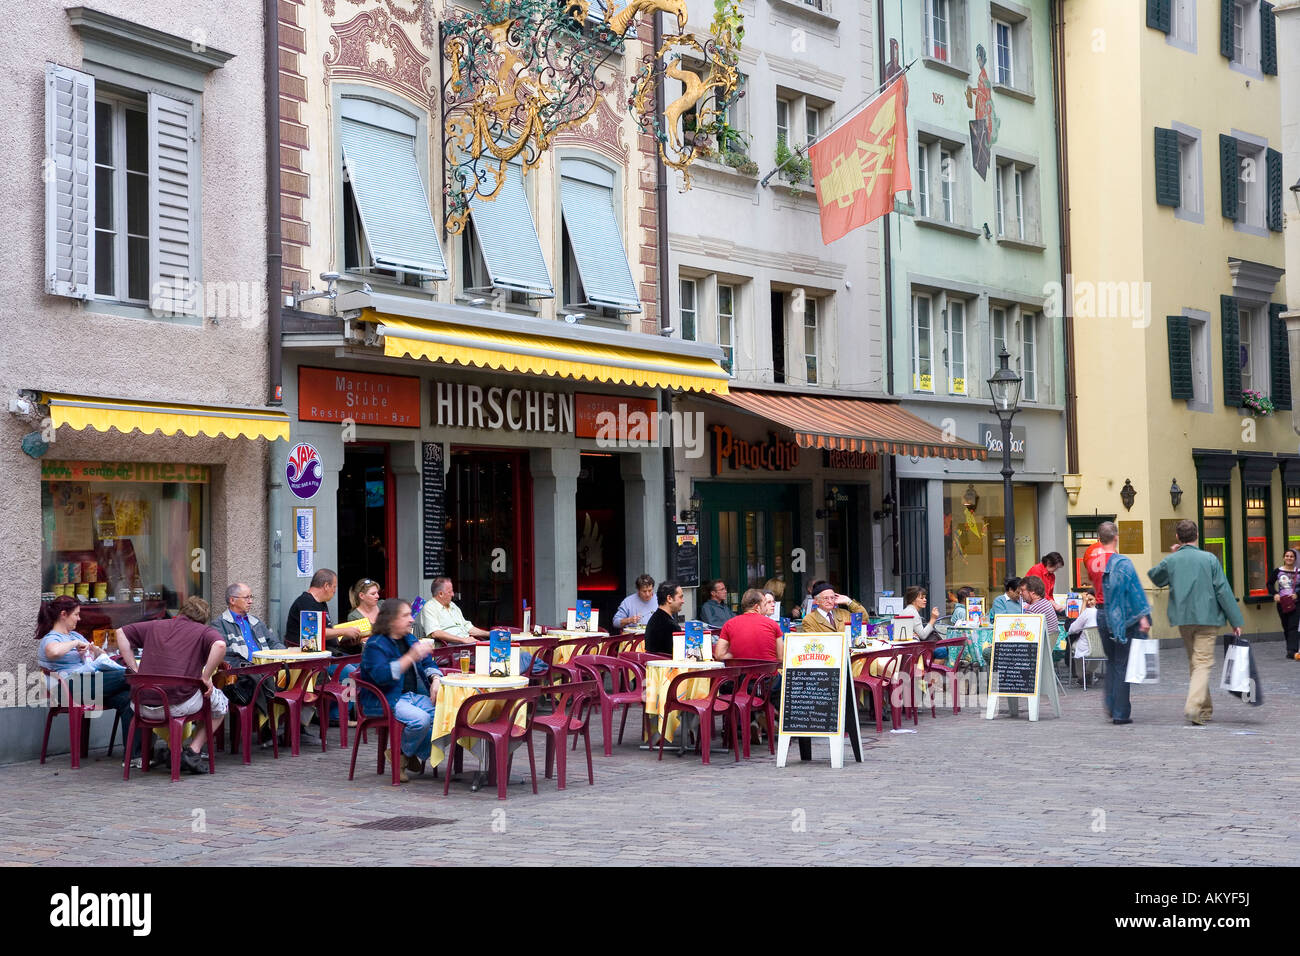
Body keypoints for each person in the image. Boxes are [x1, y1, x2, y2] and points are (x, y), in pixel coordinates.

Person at [113, 597, 228, 774]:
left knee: (176, 695)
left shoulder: (156, 625)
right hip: (176, 705)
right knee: (220, 705)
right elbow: (220, 645)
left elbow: (120, 632)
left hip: (140, 705)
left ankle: (176, 751)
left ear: (181, 612)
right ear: (203, 618)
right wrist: (206, 677)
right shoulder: (203, 631)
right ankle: (193, 751)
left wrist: (133, 667)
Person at [1147, 519, 1244, 726]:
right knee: (1202, 662)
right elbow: (1222, 590)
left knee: (1196, 662)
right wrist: (1235, 620)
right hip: (1208, 617)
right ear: (1197, 535)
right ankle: (1193, 706)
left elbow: (1155, 577)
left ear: (1177, 538)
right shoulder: (1209, 559)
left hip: (1184, 619)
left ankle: (1205, 709)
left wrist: (1173, 555)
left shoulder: (1173, 560)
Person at [36, 596, 138, 765]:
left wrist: (96, 652)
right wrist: (74, 643)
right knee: (128, 676)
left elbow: (94, 657)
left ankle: (134, 757)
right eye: (76, 614)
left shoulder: (75, 634)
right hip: (67, 689)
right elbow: (52, 652)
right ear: (63, 614)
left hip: (88, 685)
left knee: (129, 697)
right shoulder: (52, 638)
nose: (79, 618)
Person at [358, 598, 442, 783]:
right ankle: (404, 754)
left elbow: (429, 663)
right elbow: (382, 677)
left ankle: (402, 753)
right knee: (422, 720)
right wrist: (410, 656)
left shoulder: (409, 638)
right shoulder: (375, 645)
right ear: (390, 620)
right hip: (388, 699)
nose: (411, 619)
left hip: (415, 696)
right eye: (405, 615)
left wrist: (436, 679)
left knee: (448, 718)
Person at [419, 577, 544, 675]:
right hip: (453, 649)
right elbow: (435, 632)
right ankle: (535, 671)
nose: (453, 594)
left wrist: (489, 634)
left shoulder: (453, 606)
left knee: (514, 652)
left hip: (470, 645)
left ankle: (528, 669)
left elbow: (469, 628)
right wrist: (463, 640)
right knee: (508, 655)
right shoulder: (430, 607)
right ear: (440, 594)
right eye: (450, 591)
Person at [1094, 531, 1152, 725]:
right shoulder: (1122, 563)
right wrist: (1143, 616)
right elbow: (1132, 591)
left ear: (1099, 538)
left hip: (1100, 613)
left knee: (1112, 661)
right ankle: (1120, 712)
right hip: (1119, 617)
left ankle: (1111, 703)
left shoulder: (1090, 559)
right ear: (1116, 537)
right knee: (1121, 663)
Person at [212, 583, 284, 722]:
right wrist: (248, 665)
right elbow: (224, 654)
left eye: (251, 597)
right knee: (264, 679)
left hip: (268, 668)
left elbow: (274, 642)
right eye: (246, 598)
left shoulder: (255, 621)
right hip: (243, 674)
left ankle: (288, 725)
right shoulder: (220, 624)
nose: (250, 601)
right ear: (232, 600)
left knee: (300, 674)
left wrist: (284, 654)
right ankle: (270, 725)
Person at [284, 569, 352, 648]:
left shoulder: (321, 602)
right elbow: (313, 633)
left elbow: (326, 630)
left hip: (327, 650)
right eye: (334, 587)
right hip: (308, 654)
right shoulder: (306, 602)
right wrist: (345, 631)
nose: (334, 591)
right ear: (326, 586)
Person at [716, 589, 784, 663]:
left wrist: (736, 656)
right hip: (767, 673)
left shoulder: (729, 624)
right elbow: (781, 658)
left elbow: (719, 655)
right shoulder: (773, 624)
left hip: (741, 673)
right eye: (764, 605)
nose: (765, 608)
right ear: (757, 607)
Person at [1267, 549, 1300, 660]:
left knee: (1293, 626)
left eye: (1291, 556)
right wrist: (1275, 594)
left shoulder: (1298, 571)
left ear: (1295, 559)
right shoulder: (1278, 571)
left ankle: (1293, 651)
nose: (1289, 558)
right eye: (1287, 556)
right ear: (1284, 557)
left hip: (1296, 603)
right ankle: (1289, 649)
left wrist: (1297, 595)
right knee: (1286, 626)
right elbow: (1269, 584)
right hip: (1282, 603)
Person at [799, 581, 866, 632]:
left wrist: (849, 602)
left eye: (832, 598)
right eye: (826, 598)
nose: (830, 601)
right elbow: (813, 643)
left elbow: (864, 620)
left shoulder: (844, 614)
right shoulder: (809, 619)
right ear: (817, 601)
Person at [644, 580, 683, 655]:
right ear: (669, 598)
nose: (683, 601)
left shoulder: (654, 619)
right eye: (680, 597)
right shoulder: (671, 626)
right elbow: (679, 656)